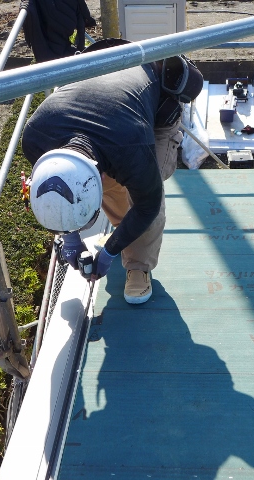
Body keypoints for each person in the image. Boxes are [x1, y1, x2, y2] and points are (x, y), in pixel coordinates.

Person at [22, 42, 203, 304]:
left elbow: (147, 206)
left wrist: (108, 253)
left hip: (155, 106)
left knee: (146, 185)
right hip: (113, 104)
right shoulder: (36, 137)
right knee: (108, 185)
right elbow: (56, 187)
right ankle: (125, 231)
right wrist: (70, 237)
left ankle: (138, 266)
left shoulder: (131, 148)